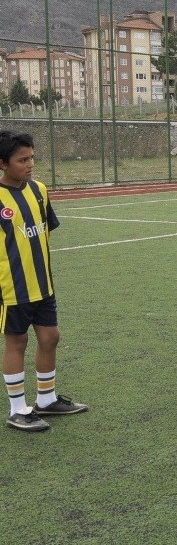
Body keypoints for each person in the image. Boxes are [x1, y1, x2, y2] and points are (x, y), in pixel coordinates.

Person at [1, 132, 88, 433]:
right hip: (11, 288)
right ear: (3, 163)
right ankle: (17, 410)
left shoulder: (39, 190)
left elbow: (44, 230)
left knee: (50, 338)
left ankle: (46, 400)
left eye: (32, 158)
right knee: (17, 341)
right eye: (22, 160)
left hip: (43, 284)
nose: (30, 164)